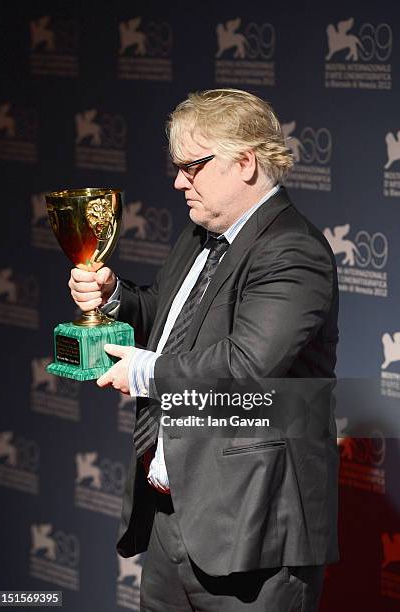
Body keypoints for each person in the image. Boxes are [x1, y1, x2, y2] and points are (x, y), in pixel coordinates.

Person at [68, 89, 339, 611]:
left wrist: (146, 373)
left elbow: (246, 365)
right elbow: (170, 325)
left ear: (245, 162)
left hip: (252, 537)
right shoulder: (201, 233)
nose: (177, 181)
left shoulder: (294, 250)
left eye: (192, 166)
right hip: (174, 521)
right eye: (177, 166)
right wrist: (115, 297)